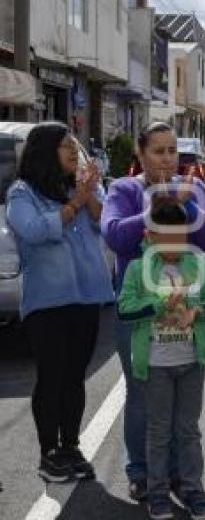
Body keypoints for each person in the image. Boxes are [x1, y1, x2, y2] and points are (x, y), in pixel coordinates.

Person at [102, 121, 205, 501]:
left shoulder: (195, 188)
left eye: (173, 151)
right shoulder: (125, 189)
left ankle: (175, 472)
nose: (167, 159)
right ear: (140, 154)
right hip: (141, 309)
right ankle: (140, 470)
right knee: (142, 393)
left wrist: (186, 203)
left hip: (186, 311)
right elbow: (115, 233)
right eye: (158, 151)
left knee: (182, 400)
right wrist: (159, 207)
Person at [6, 122, 114, 482]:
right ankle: (48, 452)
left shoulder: (81, 186)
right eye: (65, 145)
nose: (74, 150)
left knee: (74, 377)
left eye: (75, 145)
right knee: (51, 376)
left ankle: (70, 445)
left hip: (86, 297)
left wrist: (90, 192)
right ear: (45, 151)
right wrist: (74, 204)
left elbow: (105, 222)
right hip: (47, 303)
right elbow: (35, 231)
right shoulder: (23, 193)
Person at [118, 197, 205, 520]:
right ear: (150, 235)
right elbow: (124, 309)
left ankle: (193, 490)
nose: (175, 244)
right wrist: (159, 306)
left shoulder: (198, 265)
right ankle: (158, 492)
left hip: (191, 362)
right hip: (156, 365)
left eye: (181, 236)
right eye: (167, 237)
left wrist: (197, 312)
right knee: (159, 431)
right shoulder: (137, 268)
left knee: (188, 430)